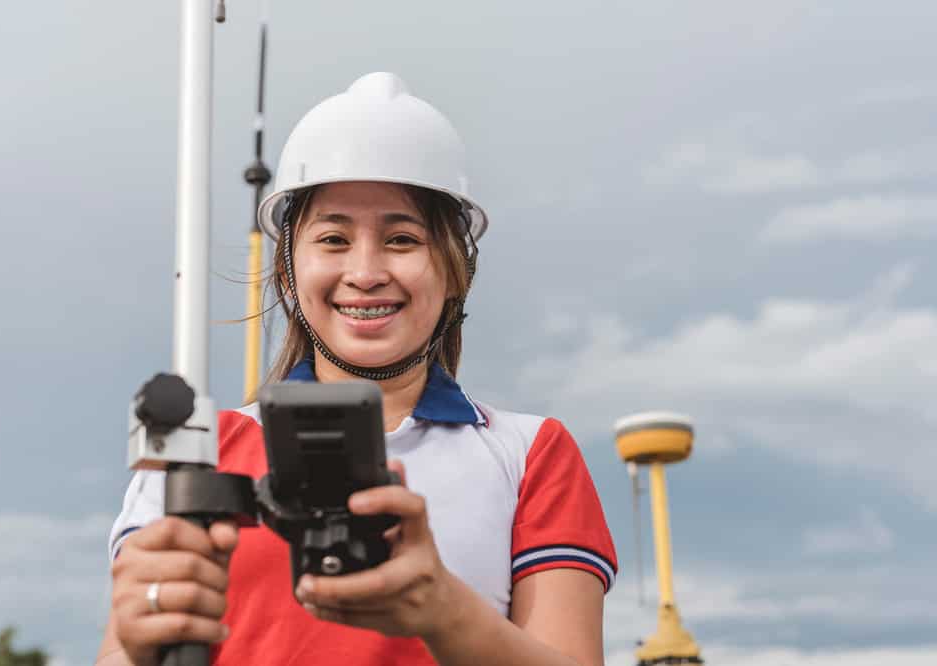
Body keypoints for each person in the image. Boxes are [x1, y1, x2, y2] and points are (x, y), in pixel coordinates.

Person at [97, 72, 616, 666]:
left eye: (401, 239)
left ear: (454, 270)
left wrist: (444, 609)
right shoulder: (198, 452)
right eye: (334, 239)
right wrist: (134, 651)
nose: (366, 271)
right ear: (289, 269)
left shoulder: (530, 453)